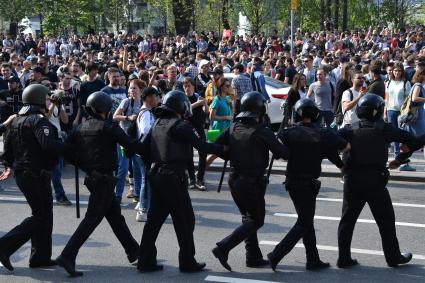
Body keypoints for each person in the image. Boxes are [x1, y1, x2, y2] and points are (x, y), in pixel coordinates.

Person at [137, 90, 226, 273]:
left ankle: (144, 260)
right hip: (172, 178)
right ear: (181, 106)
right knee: (185, 220)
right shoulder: (181, 125)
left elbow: (142, 148)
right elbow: (202, 146)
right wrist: (224, 148)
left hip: (157, 176)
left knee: (154, 221)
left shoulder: (157, 123)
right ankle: (187, 261)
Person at [56, 91, 141, 277]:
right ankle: (67, 255)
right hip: (103, 179)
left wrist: (85, 166)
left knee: (116, 218)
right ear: (105, 108)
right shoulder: (108, 127)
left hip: (94, 178)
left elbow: (67, 150)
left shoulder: (80, 128)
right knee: (92, 219)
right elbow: (132, 145)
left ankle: (134, 251)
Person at [267, 98, 350, 271]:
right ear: (316, 114)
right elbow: (344, 146)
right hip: (306, 183)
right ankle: (276, 254)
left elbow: (278, 152)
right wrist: (341, 165)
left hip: (292, 182)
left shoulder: (288, 132)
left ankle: (313, 259)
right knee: (304, 222)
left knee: (306, 220)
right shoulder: (323, 133)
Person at [212, 91, 290, 271]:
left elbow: (217, 146)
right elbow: (283, 153)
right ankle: (224, 247)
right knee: (256, 220)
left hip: (235, 180)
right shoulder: (262, 131)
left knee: (248, 218)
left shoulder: (233, 127)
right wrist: (282, 139)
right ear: (259, 109)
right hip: (251, 183)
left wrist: (231, 154)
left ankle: (253, 256)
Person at [337, 93, 415, 269]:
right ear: (379, 111)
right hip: (375, 180)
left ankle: (343, 258)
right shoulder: (384, 129)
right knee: (386, 221)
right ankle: (393, 257)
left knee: (347, 220)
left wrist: (340, 163)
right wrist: (400, 159)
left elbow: (329, 139)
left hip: (352, 179)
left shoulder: (349, 128)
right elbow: (411, 140)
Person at [0, 84, 71, 271]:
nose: (50, 101)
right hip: (35, 175)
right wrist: (68, 146)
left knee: (45, 215)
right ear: (39, 99)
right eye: (47, 99)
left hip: (28, 174)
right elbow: (48, 145)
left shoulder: (16, 120)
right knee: (40, 216)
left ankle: (40, 257)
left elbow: (6, 149)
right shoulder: (38, 121)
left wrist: (9, 166)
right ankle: (4, 246)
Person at [113, 79, 144, 203]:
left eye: (134, 88)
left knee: (137, 168)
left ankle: (137, 194)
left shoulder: (143, 103)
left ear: (141, 90)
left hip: (137, 140)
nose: (132, 90)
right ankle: (118, 195)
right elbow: (115, 117)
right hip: (123, 139)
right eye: (130, 88)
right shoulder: (126, 102)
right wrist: (128, 117)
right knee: (123, 169)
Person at [134, 87, 160, 222]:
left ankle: (142, 205)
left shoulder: (146, 112)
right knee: (146, 181)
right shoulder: (146, 113)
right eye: (156, 96)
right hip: (144, 152)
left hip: (141, 152)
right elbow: (146, 130)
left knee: (146, 180)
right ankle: (143, 210)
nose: (158, 99)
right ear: (149, 97)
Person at [384, 62, 413, 171]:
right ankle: (397, 157)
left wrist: (407, 112)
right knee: (394, 135)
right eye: (395, 70)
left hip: (402, 112)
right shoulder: (388, 82)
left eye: (399, 70)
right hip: (391, 110)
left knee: (403, 135)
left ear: (402, 72)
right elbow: (386, 98)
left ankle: (403, 158)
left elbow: (409, 99)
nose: (397, 72)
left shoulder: (406, 83)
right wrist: (384, 112)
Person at [183, 77, 208, 190]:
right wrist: (198, 104)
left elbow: (206, 111)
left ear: (193, 86)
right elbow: (184, 110)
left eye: (188, 85)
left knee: (203, 153)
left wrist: (204, 103)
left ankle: (200, 178)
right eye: (185, 86)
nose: (186, 88)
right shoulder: (182, 98)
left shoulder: (197, 96)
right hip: (187, 129)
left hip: (199, 128)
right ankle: (192, 179)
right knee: (188, 155)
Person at [404, 63, 425, 160]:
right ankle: (402, 159)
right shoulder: (418, 85)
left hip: (417, 114)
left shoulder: (418, 85)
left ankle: (402, 159)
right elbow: (414, 98)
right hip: (417, 114)